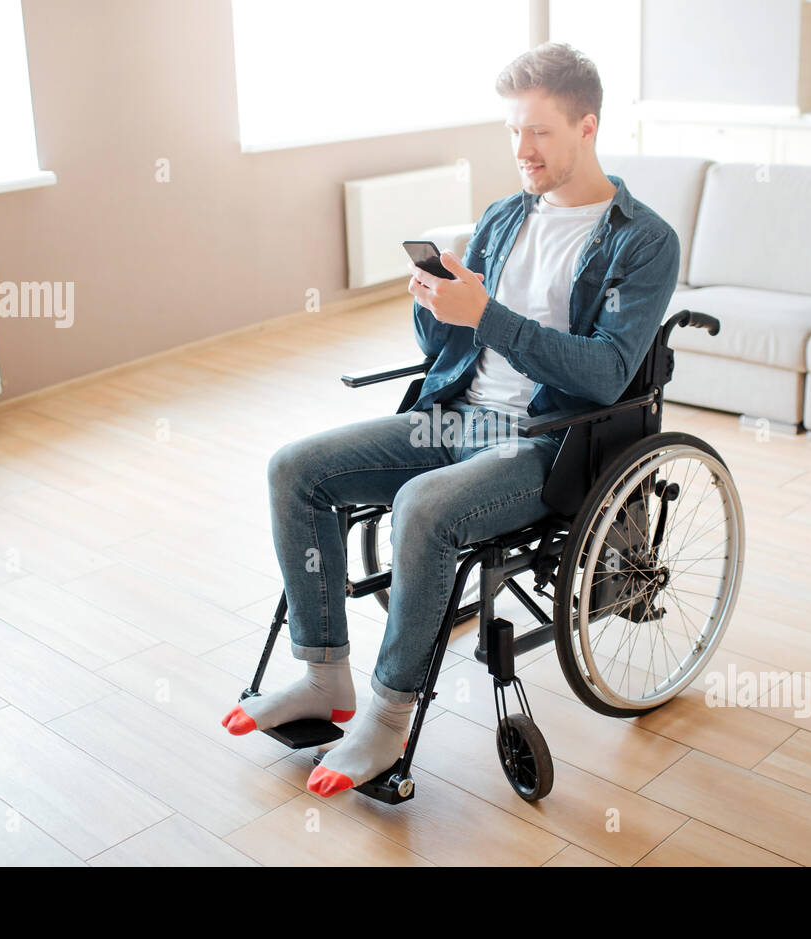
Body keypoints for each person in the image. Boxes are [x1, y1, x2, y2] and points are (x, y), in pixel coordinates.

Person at [221, 41, 681, 797]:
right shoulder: (504, 218)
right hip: (454, 416)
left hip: (542, 442)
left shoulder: (643, 239)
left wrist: (489, 315)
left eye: (538, 131)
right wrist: (434, 304)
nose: (521, 150)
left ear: (588, 127)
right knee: (294, 469)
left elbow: (604, 375)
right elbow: (453, 346)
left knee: (422, 507)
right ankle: (323, 675)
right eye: (512, 131)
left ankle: (387, 716)